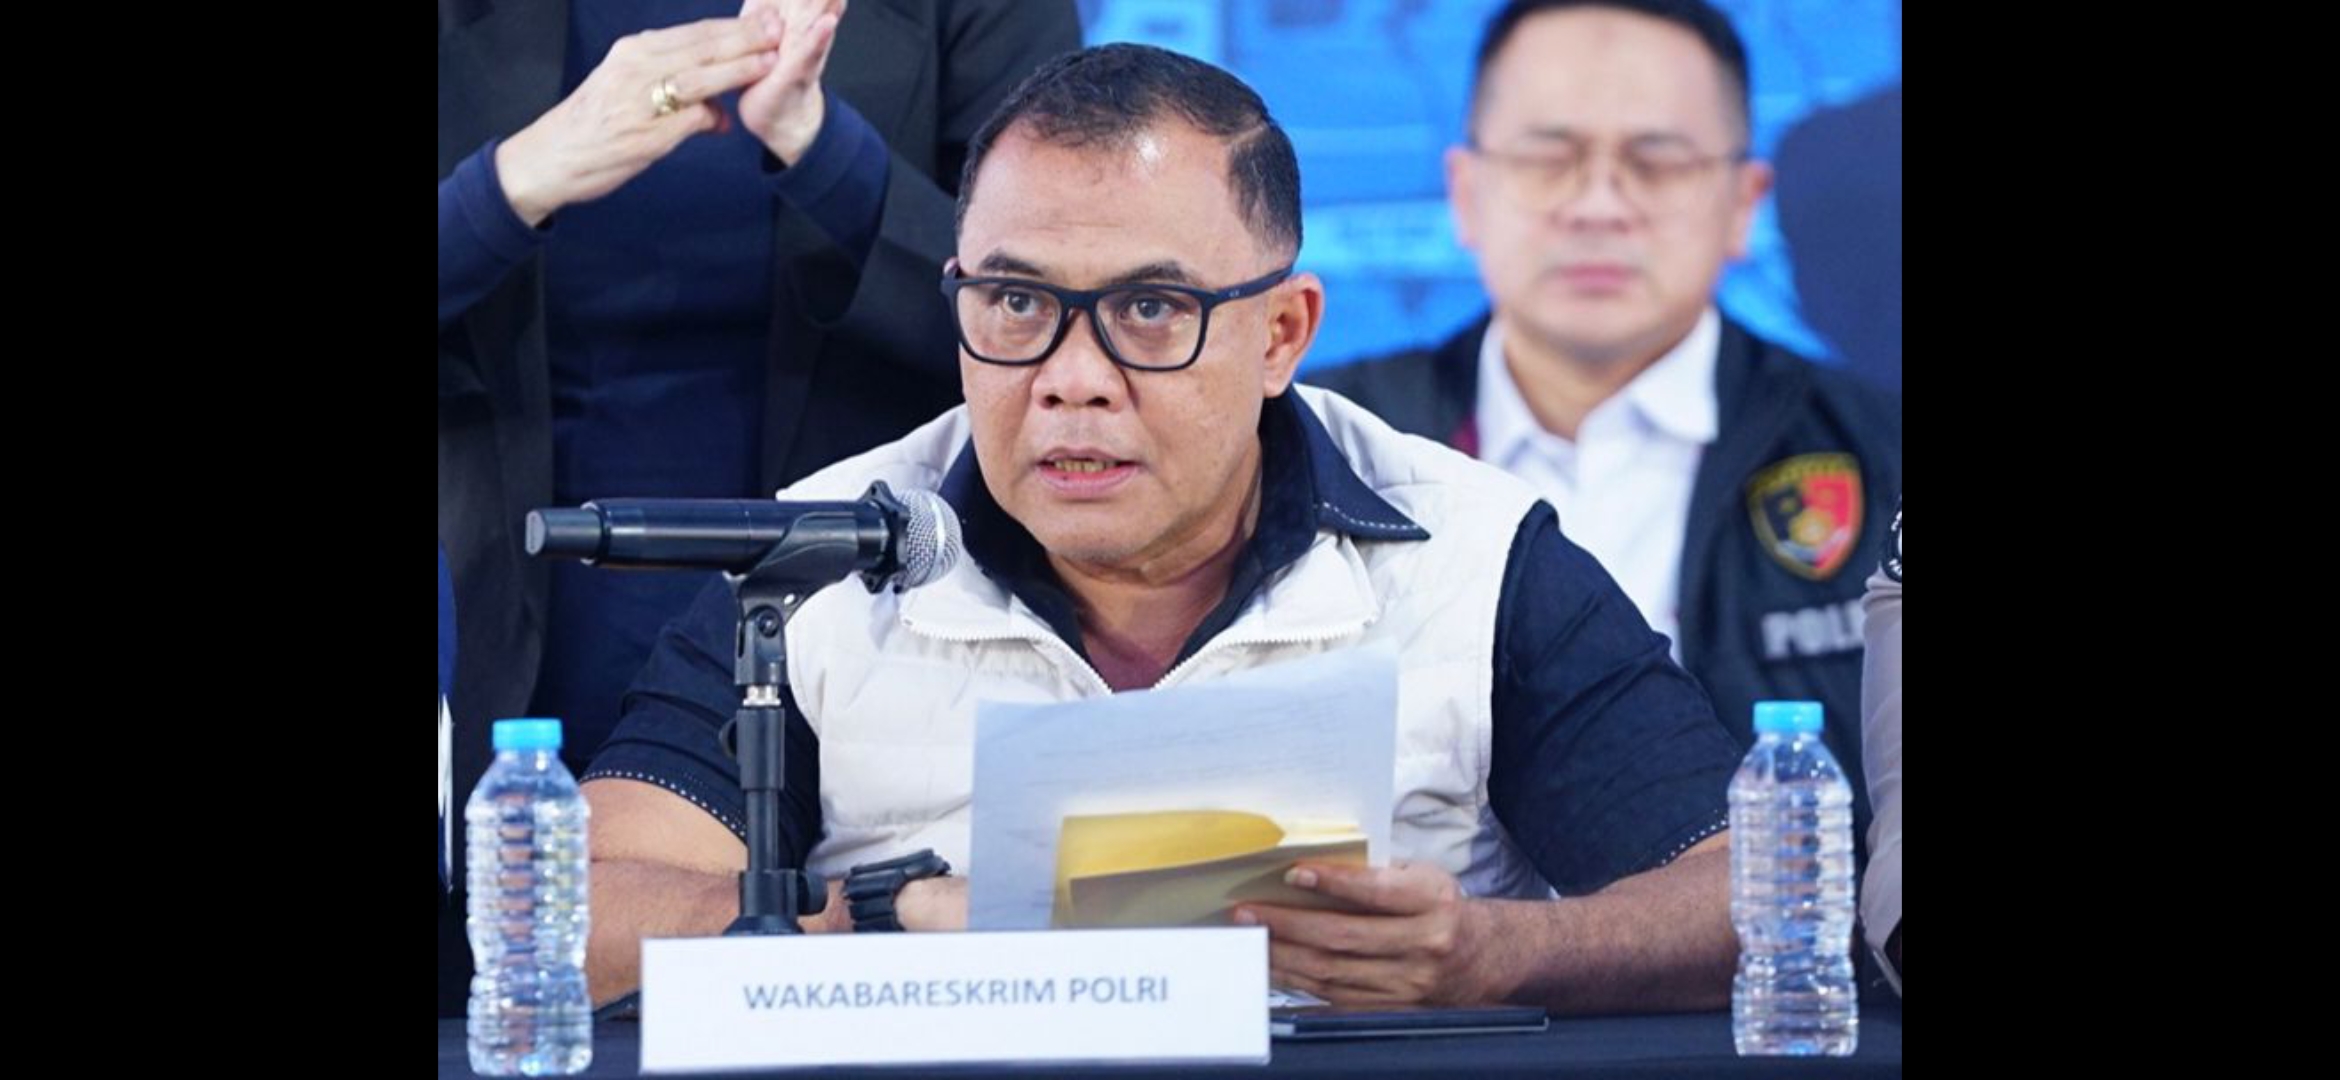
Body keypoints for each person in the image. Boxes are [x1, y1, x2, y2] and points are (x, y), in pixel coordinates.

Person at [580, 43, 1745, 1014]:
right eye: (1016, 303)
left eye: (1148, 309)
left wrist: (1495, 953)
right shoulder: (822, 553)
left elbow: (1749, 896)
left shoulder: (1472, 551)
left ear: (1282, 334)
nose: (1071, 379)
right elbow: (573, 910)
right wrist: (879, 924)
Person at [1307, 0, 1901, 851]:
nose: (1597, 204)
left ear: (1744, 202)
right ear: (1467, 193)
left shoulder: (1883, 455)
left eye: (1656, 161)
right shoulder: (1316, 447)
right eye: (1548, 157)